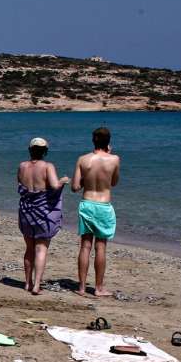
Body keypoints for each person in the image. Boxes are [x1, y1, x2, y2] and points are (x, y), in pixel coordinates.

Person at [71, 126, 120, 297]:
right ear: (108, 142)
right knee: (101, 247)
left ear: (93, 141)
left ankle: (82, 287)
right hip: (103, 205)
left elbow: (75, 187)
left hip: (87, 204)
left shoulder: (83, 159)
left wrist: (86, 179)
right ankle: (98, 288)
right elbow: (113, 183)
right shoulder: (114, 159)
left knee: (85, 246)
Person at [17, 137, 69, 295]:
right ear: (45, 151)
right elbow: (54, 185)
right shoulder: (47, 166)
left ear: (29, 150)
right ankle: (37, 285)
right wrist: (63, 181)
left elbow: (21, 185)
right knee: (41, 249)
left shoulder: (22, 166)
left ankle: (27, 283)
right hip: (42, 213)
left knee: (29, 248)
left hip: (26, 211)